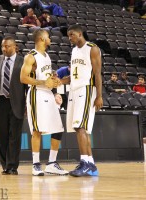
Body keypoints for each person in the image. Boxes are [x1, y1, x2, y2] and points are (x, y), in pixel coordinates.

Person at [20, 29, 69, 176]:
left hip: (48, 94)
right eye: (48, 37)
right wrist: (44, 82)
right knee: (37, 129)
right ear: (42, 38)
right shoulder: (31, 57)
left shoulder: (47, 56)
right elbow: (23, 78)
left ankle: (52, 163)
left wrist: (55, 85)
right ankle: (35, 164)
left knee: (58, 129)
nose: (50, 39)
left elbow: (48, 77)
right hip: (36, 93)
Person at [0, 36, 27, 175]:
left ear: (15, 47)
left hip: (17, 103)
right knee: (2, 137)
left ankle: (12, 166)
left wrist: (28, 104)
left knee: (15, 136)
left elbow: (27, 86)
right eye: (3, 46)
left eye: (7, 46)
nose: (4, 49)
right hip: (0, 102)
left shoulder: (23, 61)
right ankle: (5, 166)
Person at [66, 24, 102, 177]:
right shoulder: (74, 50)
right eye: (69, 35)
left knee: (80, 126)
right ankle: (90, 164)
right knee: (80, 129)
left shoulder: (92, 48)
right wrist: (59, 81)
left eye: (72, 35)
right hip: (74, 89)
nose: (70, 38)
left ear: (80, 34)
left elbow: (97, 74)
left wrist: (99, 96)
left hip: (86, 89)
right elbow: (74, 75)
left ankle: (85, 163)